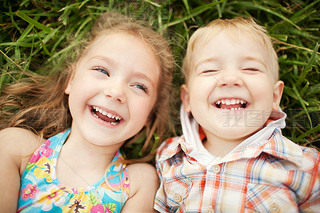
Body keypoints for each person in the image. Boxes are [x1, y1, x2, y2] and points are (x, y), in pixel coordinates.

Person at [0, 11, 174, 212]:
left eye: (139, 86)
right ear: (71, 80)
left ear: (149, 115)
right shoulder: (17, 148)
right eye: (102, 71)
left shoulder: (138, 183)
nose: (116, 92)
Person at [154, 17, 320, 212]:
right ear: (188, 99)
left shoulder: (306, 165)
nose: (230, 79)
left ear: (275, 96)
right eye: (209, 70)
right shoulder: (168, 157)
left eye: (250, 68)